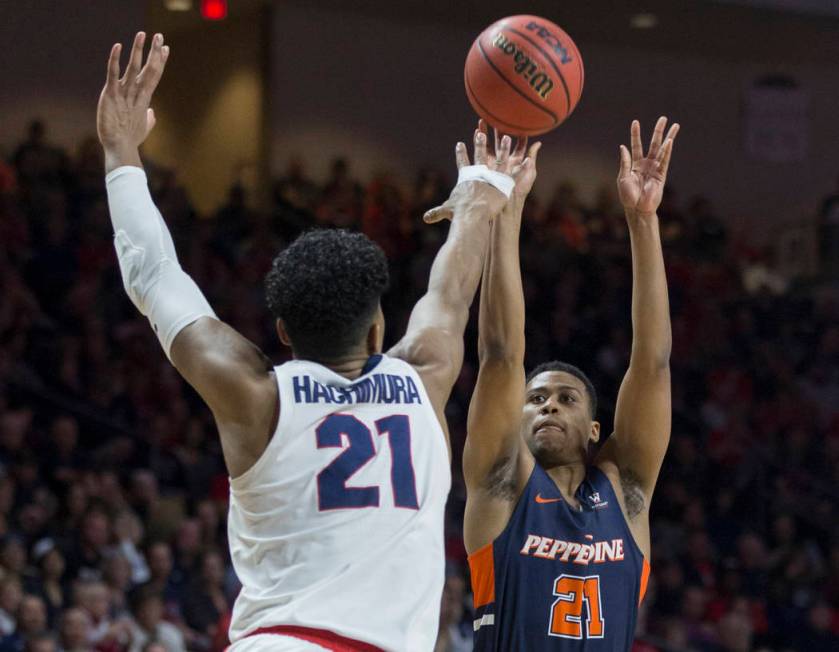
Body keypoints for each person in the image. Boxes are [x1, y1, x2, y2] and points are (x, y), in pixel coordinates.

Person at [96, 31, 522, 651]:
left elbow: (155, 274)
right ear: (379, 327)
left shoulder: (254, 394)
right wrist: (481, 198)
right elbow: (450, 294)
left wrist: (119, 152)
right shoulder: (425, 374)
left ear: (283, 332)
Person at [460, 118, 678, 649]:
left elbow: (652, 363)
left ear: (594, 427)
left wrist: (643, 221)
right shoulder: (501, 486)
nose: (547, 407)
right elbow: (500, 354)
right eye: (534, 400)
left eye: (564, 398)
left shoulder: (626, 496)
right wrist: (505, 211)